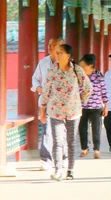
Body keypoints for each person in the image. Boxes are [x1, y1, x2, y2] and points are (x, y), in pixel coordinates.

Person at [39, 44, 93, 181]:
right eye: (56, 53)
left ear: (68, 56)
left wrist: (81, 100)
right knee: (57, 141)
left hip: (73, 111)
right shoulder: (51, 71)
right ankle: (57, 170)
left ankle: (70, 169)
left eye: (60, 53)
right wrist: (42, 110)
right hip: (55, 111)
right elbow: (46, 92)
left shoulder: (77, 70)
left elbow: (88, 87)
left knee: (71, 141)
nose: (57, 55)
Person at [31, 37, 65, 171]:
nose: (50, 47)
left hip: (62, 104)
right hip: (46, 103)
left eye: (54, 45)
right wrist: (39, 89)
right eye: (49, 45)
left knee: (62, 131)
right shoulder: (43, 63)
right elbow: (35, 79)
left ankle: (62, 158)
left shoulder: (66, 63)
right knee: (46, 131)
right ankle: (45, 159)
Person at [78, 54, 108, 159]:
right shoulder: (79, 77)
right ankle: (84, 148)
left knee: (96, 129)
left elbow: (104, 92)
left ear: (90, 65)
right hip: (82, 107)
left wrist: (106, 106)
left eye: (83, 65)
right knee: (82, 129)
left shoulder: (99, 76)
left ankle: (97, 150)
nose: (81, 67)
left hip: (96, 107)